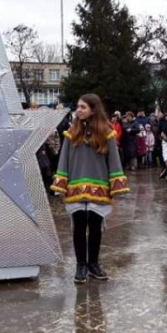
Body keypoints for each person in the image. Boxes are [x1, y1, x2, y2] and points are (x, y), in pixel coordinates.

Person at [51, 93, 129, 284]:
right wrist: (61, 183)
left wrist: (116, 184)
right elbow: (64, 160)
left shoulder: (106, 133)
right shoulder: (71, 134)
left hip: (99, 186)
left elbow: (114, 161)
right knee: (78, 227)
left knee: (95, 227)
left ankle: (93, 263)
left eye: (83, 107)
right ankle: (81, 265)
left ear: (93, 109)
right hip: (75, 186)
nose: (78, 110)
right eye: (78, 107)